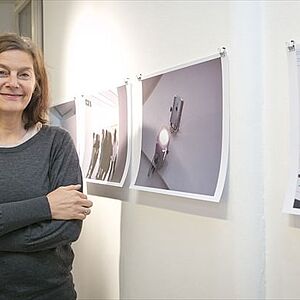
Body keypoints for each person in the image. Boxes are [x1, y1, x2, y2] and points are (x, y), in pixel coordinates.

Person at [0, 33, 93, 299]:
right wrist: (47, 206)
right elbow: (55, 215)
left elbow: (69, 227)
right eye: (2, 72)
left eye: (24, 74)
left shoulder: (56, 142)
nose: (12, 83)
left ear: (36, 84)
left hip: (49, 293)